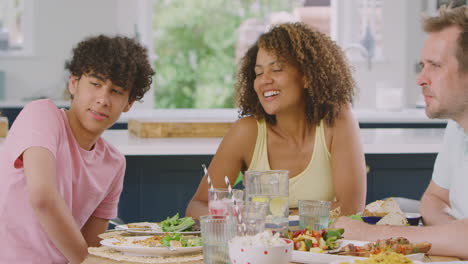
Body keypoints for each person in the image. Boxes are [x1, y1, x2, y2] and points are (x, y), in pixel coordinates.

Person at [186, 22, 367, 219]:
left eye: (277, 69)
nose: (265, 80)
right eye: (259, 73)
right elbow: (197, 206)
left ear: (307, 77)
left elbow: (350, 209)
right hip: (261, 247)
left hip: (324, 249)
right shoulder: (247, 132)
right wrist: (235, 213)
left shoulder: (337, 119)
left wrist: (271, 217)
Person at [0, 35, 154, 264]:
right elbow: (42, 197)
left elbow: (92, 246)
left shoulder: (114, 163)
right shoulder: (41, 115)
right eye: (95, 84)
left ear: (128, 104)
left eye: (117, 91)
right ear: (73, 83)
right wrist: (85, 259)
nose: (103, 99)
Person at [332, 5, 468, 259]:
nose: (421, 78)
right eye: (423, 65)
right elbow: (434, 199)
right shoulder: (458, 128)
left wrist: (368, 234)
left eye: (435, 66)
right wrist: (454, 236)